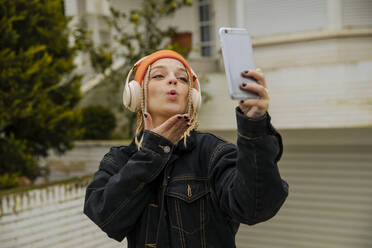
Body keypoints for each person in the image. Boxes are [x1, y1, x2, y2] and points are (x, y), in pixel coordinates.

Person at [83, 50, 289, 247]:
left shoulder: (213, 153)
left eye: (182, 79)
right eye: (159, 75)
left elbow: (255, 208)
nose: (173, 80)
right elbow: (106, 216)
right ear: (136, 94)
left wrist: (254, 126)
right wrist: (154, 150)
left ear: (191, 98)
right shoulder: (119, 159)